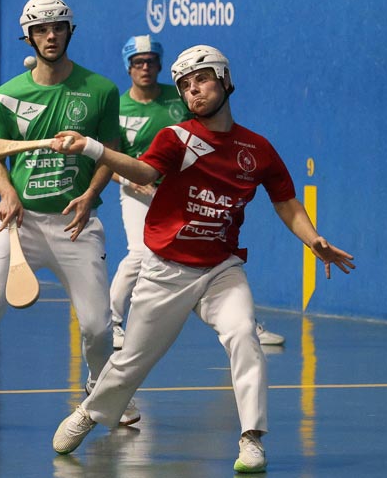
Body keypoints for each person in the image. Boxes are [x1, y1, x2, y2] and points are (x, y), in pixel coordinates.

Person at [49, 45, 355, 473]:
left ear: (226, 81)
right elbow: (143, 173)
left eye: (203, 79)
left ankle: (252, 438)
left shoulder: (257, 148)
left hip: (220, 269)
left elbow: (285, 200)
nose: (194, 91)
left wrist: (313, 239)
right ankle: (90, 412)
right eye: (186, 86)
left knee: (243, 334)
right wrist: (94, 149)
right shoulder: (176, 138)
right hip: (165, 269)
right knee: (132, 360)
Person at [0, 0, 139, 432]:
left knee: (98, 327)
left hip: (77, 224)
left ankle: (101, 391)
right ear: (29, 36)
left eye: (58, 27)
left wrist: (91, 193)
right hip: (18, 225)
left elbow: (110, 152)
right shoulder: (6, 96)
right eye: (41, 29)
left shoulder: (101, 90)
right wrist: (7, 194)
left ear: (69, 31)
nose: (51, 36)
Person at [110, 35, 285, 350]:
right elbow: (113, 159)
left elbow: (206, 133)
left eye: (151, 61)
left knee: (218, 257)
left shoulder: (178, 98)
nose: (145, 68)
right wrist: (132, 181)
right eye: (138, 62)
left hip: (181, 190)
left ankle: (244, 323)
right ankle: (112, 323)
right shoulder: (118, 107)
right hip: (136, 189)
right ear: (128, 68)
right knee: (138, 254)